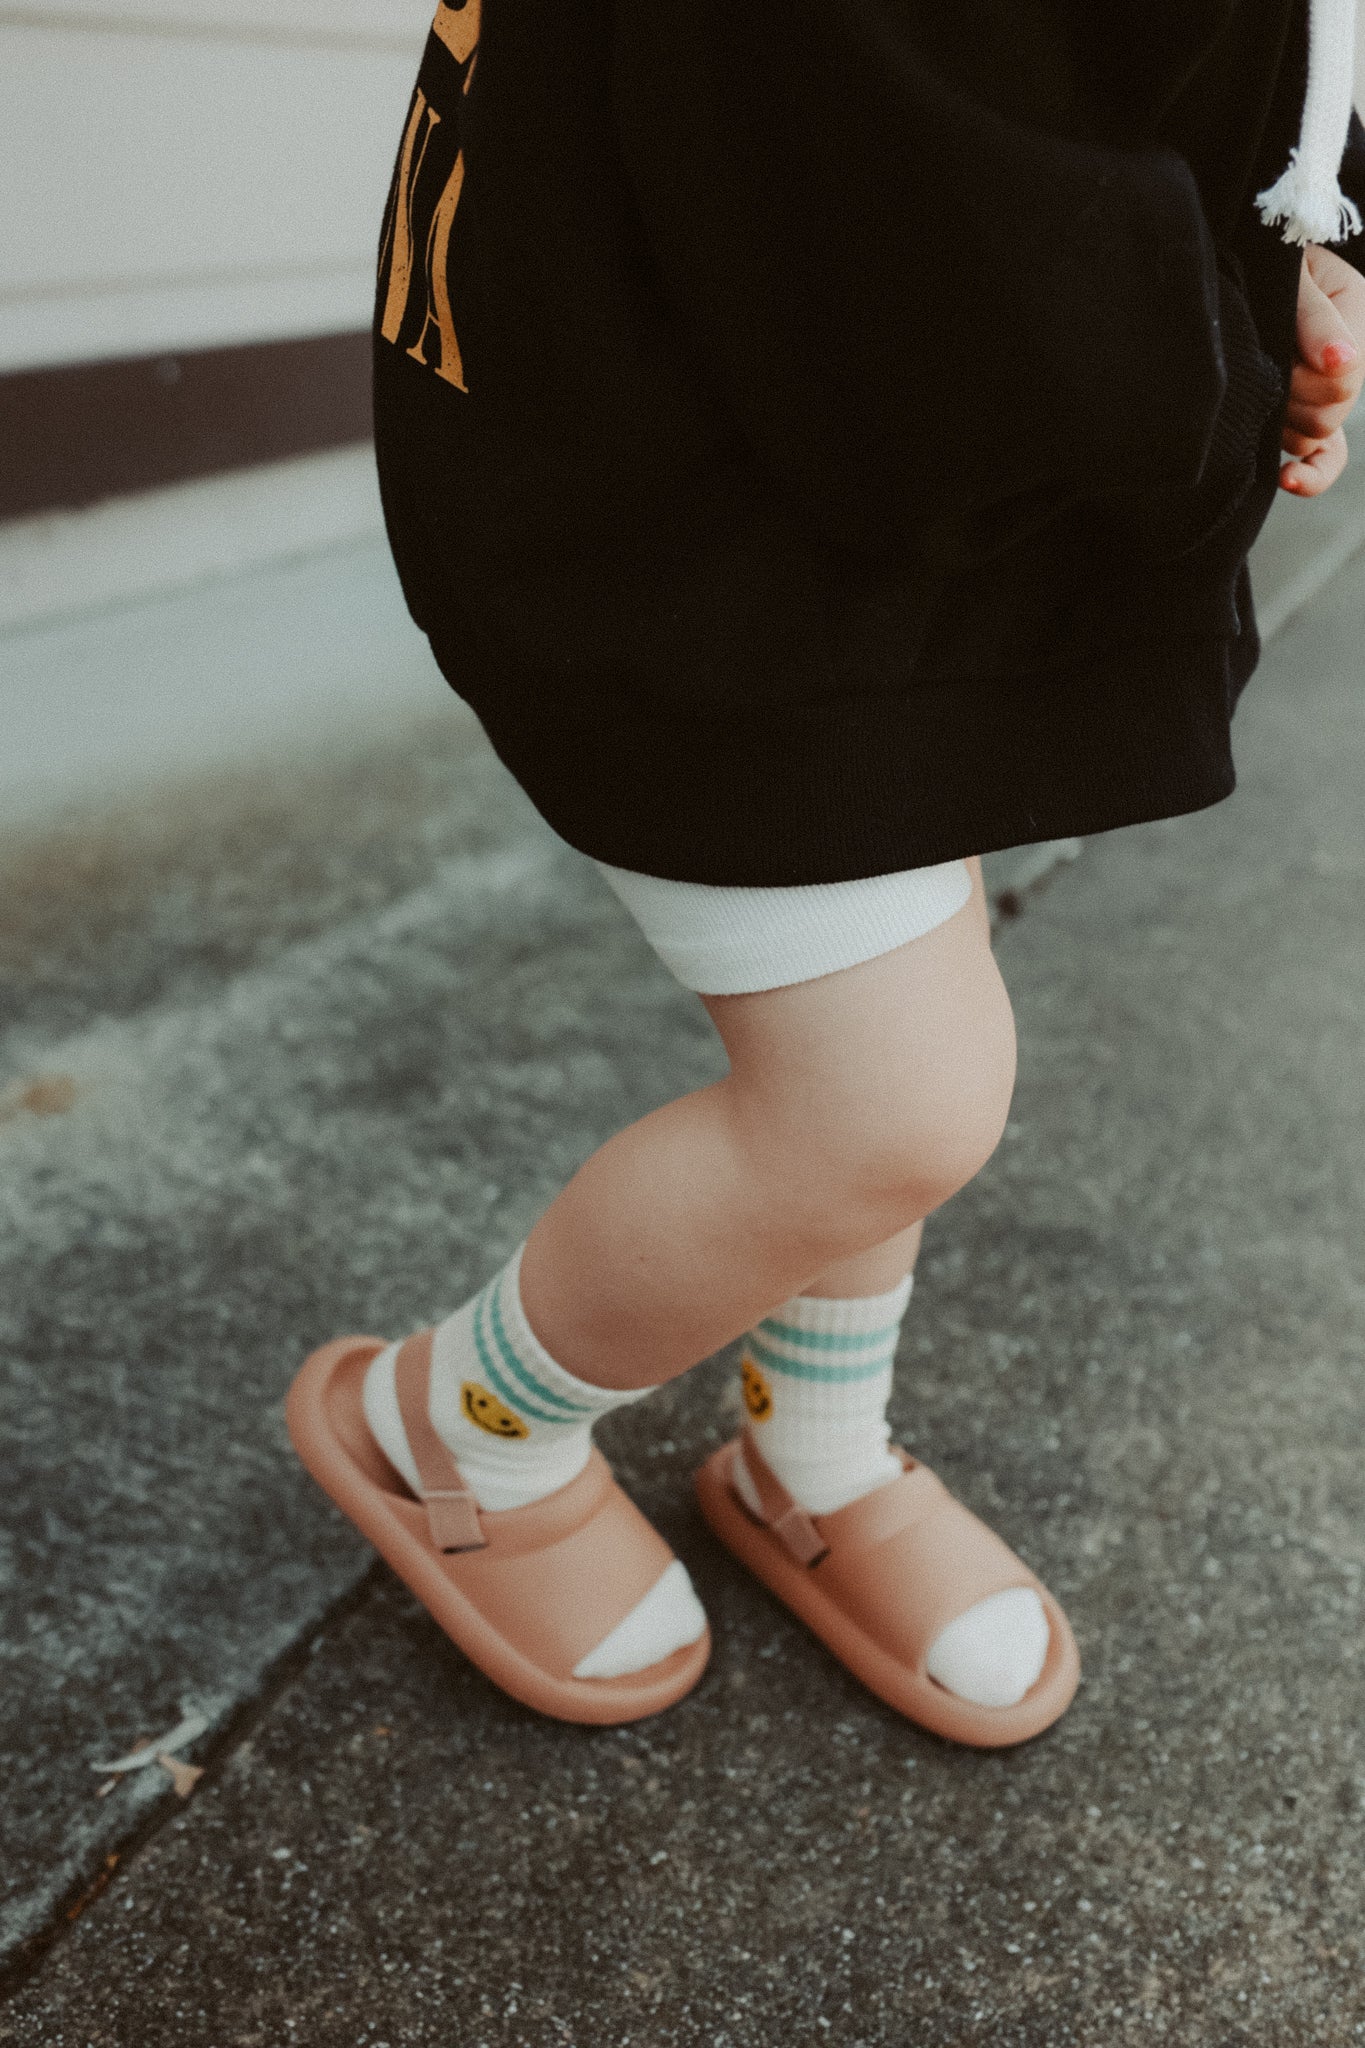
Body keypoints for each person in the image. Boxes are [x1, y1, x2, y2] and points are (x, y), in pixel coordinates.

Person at [287, 0, 1365, 1742]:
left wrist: (1309, 231)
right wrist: (1216, 379)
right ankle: (447, 1427)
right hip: (697, 508)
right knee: (890, 1102)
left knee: (895, 973)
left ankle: (813, 1449)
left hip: (858, 493)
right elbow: (926, 225)